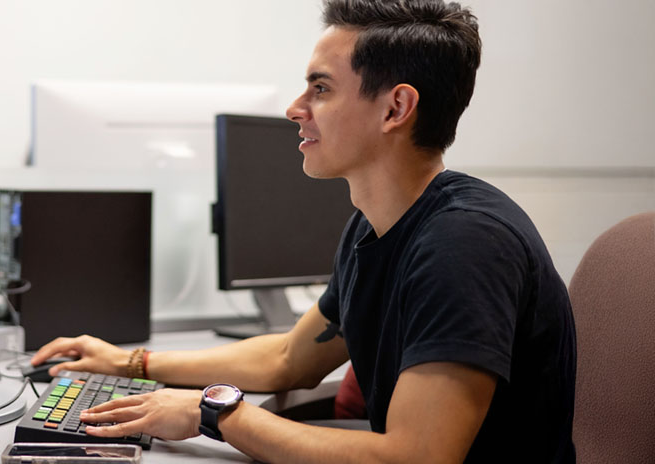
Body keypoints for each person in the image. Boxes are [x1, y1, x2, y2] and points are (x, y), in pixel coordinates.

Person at [30, 0, 577, 462]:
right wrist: (132, 363)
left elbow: (418, 456)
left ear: (396, 108)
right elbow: (290, 359)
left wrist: (212, 414)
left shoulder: (464, 244)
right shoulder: (375, 226)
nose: (295, 109)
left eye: (320, 88)